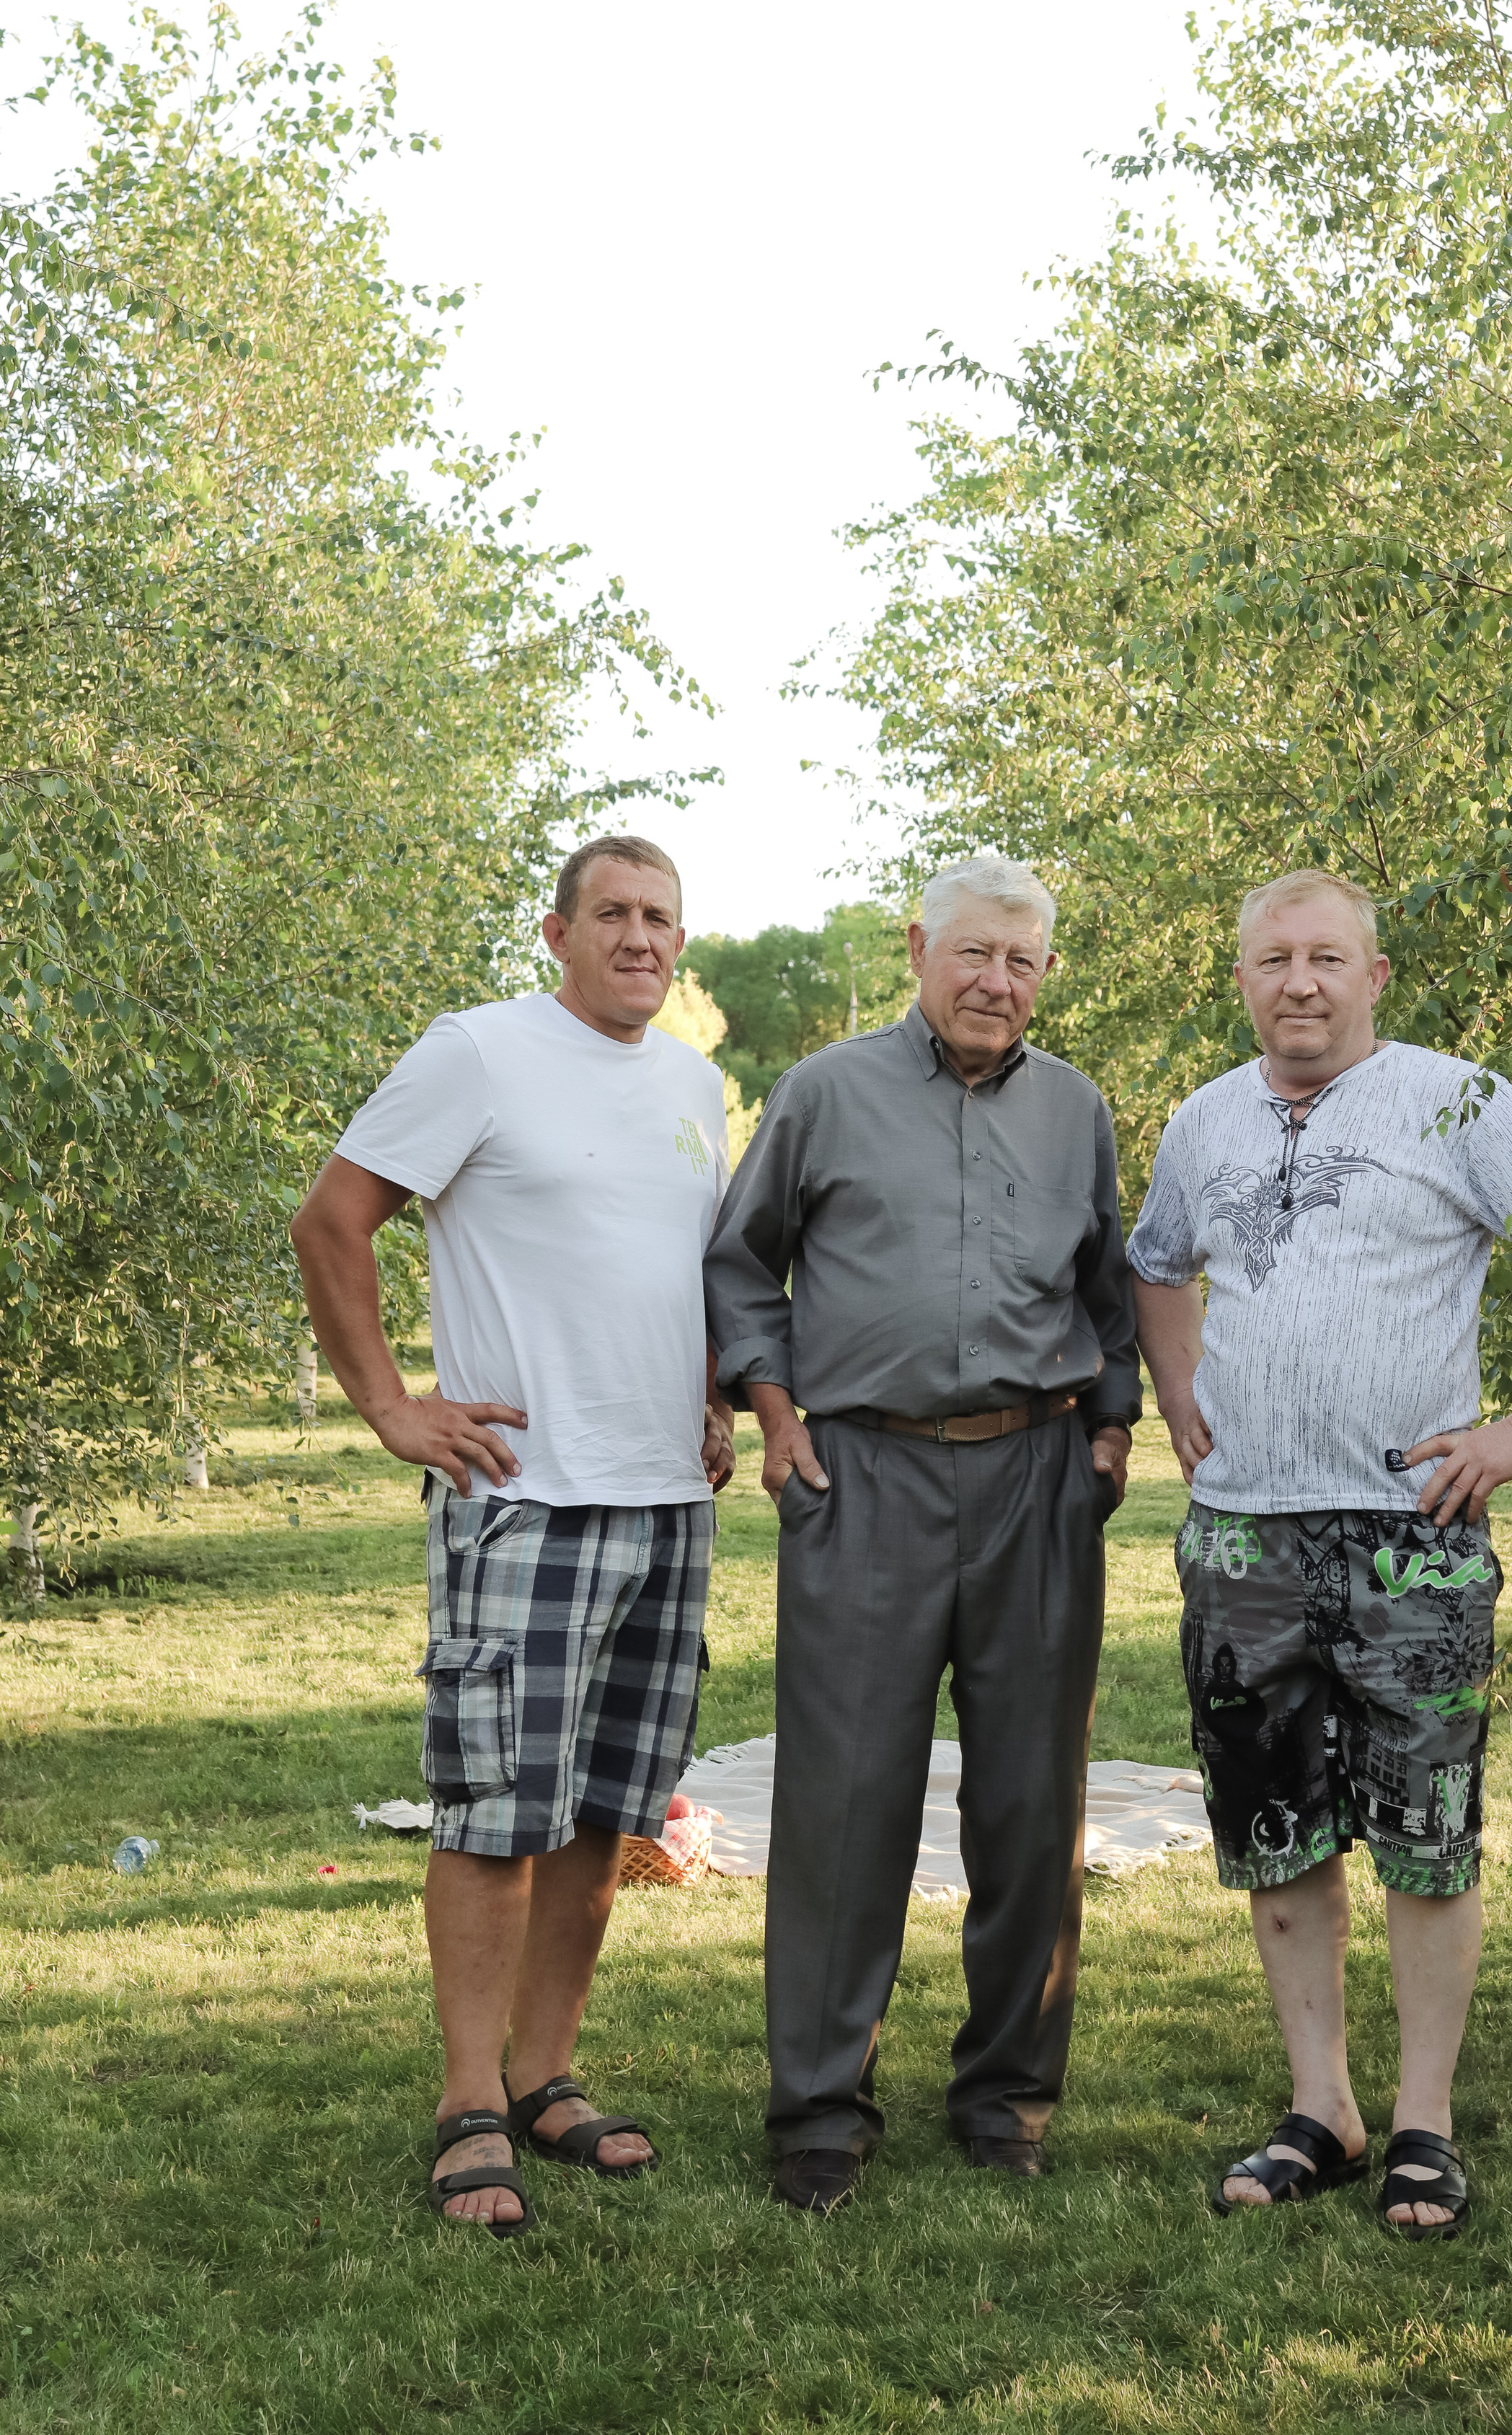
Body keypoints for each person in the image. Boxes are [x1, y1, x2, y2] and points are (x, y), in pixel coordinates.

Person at [1130, 867, 1512, 2237]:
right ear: (1239, 978)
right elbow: (1156, 1262)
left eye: (1325, 958)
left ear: (1373, 975)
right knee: (1274, 1828)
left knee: (1427, 1837)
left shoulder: (1461, 1101)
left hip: (1410, 1537)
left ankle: (1425, 2124)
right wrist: (1178, 1397)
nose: (1298, 982)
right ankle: (1323, 2109)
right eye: (1272, 960)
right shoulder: (1202, 1120)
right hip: (1242, 1534)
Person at [291, 834, 734, 2235]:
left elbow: (669, 1268)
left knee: (607, 1812)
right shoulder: (475, 1053)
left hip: (665, 1497)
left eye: (660, 918)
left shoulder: (690, 1084)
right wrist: (388, 1405)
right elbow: (331, 1221)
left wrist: (711, 1399)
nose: (639, 939)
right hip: (524, 1497)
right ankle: (469, 2100)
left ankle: (547, 2076)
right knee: (496, 1816)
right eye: (611, 914)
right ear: (557, 934)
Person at [704, 852, 1141, 2212]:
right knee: (846, 1803)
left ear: (1044, 974)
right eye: (973, 955)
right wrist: (775, 1418)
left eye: (1021, 963)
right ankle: (821, 2113)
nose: (995, 983)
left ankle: (1007, 2096)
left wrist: (1111, 1433)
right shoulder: (824, 1095)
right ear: (919, 950)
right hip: (860, 1480)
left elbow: (1110, 1285)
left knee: (1032, 1806)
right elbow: (739, 1265)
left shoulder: (1077, 1110)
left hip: (1035, 1482)